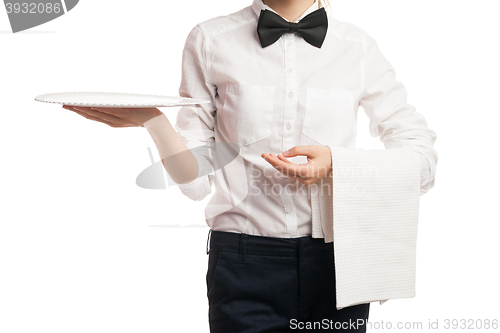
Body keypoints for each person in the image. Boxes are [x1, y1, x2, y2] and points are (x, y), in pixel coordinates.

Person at [62, 0, 437, 331]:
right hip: (242, 264)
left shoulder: (358, 48)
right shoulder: (210, 40)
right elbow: (195, 183)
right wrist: (154, 122)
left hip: (338, 263)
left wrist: (336, 164)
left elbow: (422, 164)